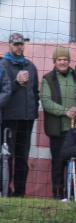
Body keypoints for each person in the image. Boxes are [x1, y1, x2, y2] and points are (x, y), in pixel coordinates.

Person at [1, 33, 39, 197]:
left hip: (27, 119)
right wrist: (16, 82)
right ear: (9, 45)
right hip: (9, 118)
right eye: (16, 44)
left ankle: (20, 192)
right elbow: (4, 91)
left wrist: (34, 110)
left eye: (21, 44)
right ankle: (5, 191)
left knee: (22, 157)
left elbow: (35, 92)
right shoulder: (3, 65)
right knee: (7, 157)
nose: (19, 47)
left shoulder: (30, 66)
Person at [40, 47, 76, 200]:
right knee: (57, 163)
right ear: (54, 62)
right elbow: (46, 102)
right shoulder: (47, 78)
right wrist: (65, 111)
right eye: (59, 59)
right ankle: (57, 194)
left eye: (65, 59)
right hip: (57, 130)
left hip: (75, 129)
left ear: (69, 61)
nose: (63, 62)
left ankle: (74, 195)